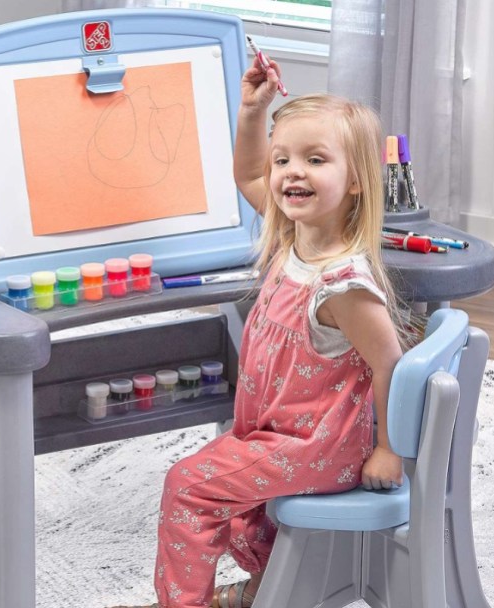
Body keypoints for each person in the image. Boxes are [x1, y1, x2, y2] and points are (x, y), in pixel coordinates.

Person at [113, 55, 405, 608]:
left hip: (317, 445)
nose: (292, 171)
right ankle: (273, 590)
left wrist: (389, 449)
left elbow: (391, 364)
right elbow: (248, 173)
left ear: (359, 182)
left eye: (315, 159)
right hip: (276, 432)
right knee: (247, 516)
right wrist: (253, 111)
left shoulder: (343, 285)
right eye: (284, 159)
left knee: (189, 486)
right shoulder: (291, 238)